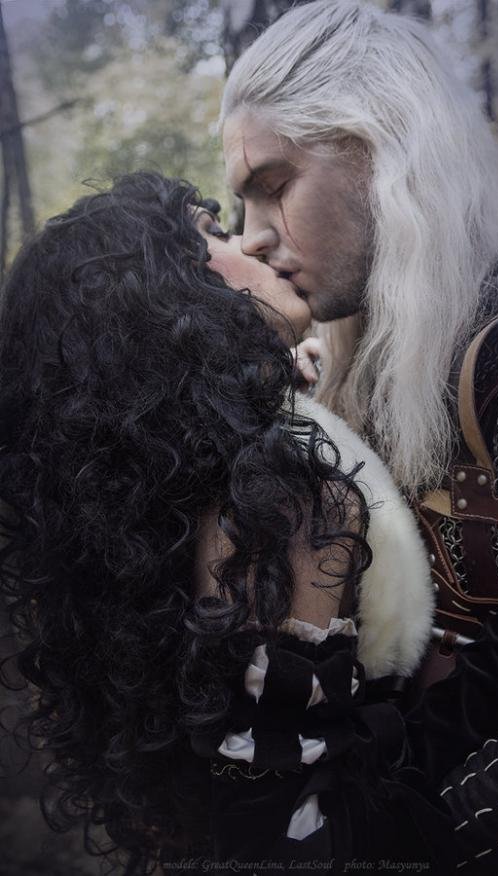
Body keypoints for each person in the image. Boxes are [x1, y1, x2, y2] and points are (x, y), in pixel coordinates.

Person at [219, 0, 498, 870]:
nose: (253, 236)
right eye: (242, 202)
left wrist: (393, 845)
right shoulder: (368, 366)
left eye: (274, 185)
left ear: (379, 150)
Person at [0, 171, 442, 875]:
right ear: (166, 295)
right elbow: (287, 817)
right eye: (213, 232)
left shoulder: (158, 490)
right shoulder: (276, 508)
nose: (253, 242)